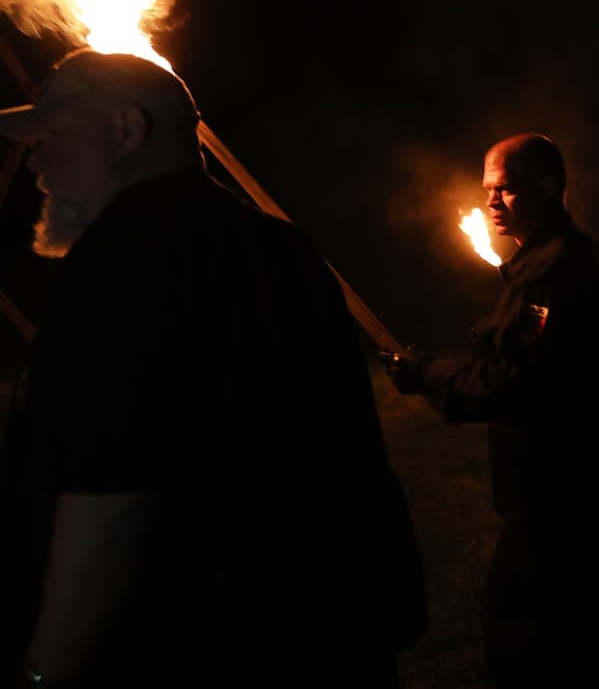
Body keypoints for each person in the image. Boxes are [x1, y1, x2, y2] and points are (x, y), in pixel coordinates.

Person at [0, 49, 428, 688]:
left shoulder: (123, 260)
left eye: (52, 135)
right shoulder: (281, 247)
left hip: (198, 647)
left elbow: (110, 505)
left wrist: (42, 672)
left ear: (126, 131)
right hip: (332, 638)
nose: (34, 161)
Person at [382, 133, 599, 687]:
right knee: (594, 640)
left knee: (526, 638)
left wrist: (424, 372)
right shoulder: (555, 262)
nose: (491, 202)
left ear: (548, 187)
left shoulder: (554, 270)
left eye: (505, 189)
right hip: (574, 486)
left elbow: (513, 382)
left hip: (559, 492)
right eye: (487, 190)